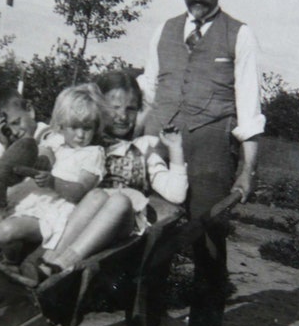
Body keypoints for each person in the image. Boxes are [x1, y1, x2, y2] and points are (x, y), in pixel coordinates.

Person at [136, 0, 266, 326]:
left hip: (211, 153)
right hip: (161, 148)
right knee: (147, 245)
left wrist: (247, 172)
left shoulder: (240, 36)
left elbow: (249, 110)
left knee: (208, 253)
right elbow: (149, 94)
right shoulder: (165, 30)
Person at [38, 70, 188, 279]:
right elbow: (47, 142)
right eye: (114, 108)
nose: (122, 116)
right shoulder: (83, 140)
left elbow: (177, 195)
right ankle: (46, 263)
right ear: (98, 106)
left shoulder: (143, 148)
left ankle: (62, 263)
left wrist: (175, 149)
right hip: (75, 218)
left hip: (121, 224)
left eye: (131, 109)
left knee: (118, 202)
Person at [0, 83, 108, 264]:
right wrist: (43, 159)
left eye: (87, 128)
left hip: (57, 212)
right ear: (62, 126)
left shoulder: (93, 154)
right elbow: (44, 154)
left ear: (96, 127)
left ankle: (12, 265)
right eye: (74, 127)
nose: (80, 135)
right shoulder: (55, 140)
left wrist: (53, 182)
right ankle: (5, 259)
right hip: (33, 199)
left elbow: (81, 191)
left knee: (6, 231)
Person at [0, 86, 48, 261]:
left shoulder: (46, 135)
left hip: (37, 200)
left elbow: (30, 163)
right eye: (7, 131)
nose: (15, 132)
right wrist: (4, 143)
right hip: (12, 199)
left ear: (30, 110)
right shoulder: (11, 141)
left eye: (16, 122)